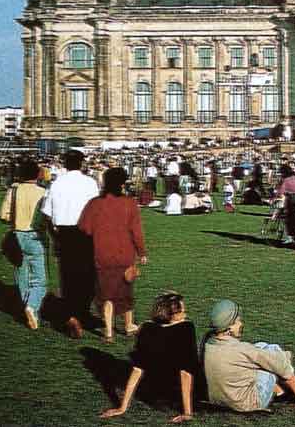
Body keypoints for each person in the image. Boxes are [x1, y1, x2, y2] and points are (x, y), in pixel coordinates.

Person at [202, 300, 295, 414]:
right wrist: (286, 356)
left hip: (219, 400)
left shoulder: (208, 344)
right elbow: (277, 362)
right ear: (229, 328)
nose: (241, 324)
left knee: (261, 346)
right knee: (273, 352)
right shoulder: (240, 349)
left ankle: (280, 393)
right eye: (238, 321)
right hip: (248, 403)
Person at [100, 292, 199, 423]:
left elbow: (137, 369)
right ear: (171, 314)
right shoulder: (186, 329)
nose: (185, 314)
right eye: (182, 311)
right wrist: (187, 412)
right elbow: (186, 372)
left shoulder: (147, 329)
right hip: (181, 391)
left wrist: (122, 407)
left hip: (155, 390)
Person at [79, 167, 147, 341]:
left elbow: (84, 229)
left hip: (102, 254)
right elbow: (136, 231)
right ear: (122, 184)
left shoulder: (94, 203)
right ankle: (128, 325)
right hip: (125, 254)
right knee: (126, 290)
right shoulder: (130, 203)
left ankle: (108, 331)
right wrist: (142, 252)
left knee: (106, 294)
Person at [41, 149, 100, 338]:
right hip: (86, 233)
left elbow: (46, 214)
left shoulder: (56, 183)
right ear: (82, 163)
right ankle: (82, 313)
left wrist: (54, 235)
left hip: (65, 233)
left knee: (67, 276)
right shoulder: (90, 182)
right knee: (88, 276)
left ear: (65, 163)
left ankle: (72, 316)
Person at [0, 159, 47, 330]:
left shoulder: (14, 189)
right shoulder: (43, 192)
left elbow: (3, 214)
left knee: (22, 274)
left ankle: (26, 306)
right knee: (39, 280)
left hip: (17, 234)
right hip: (35, 236)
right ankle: (31, 306)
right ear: (36, 174)